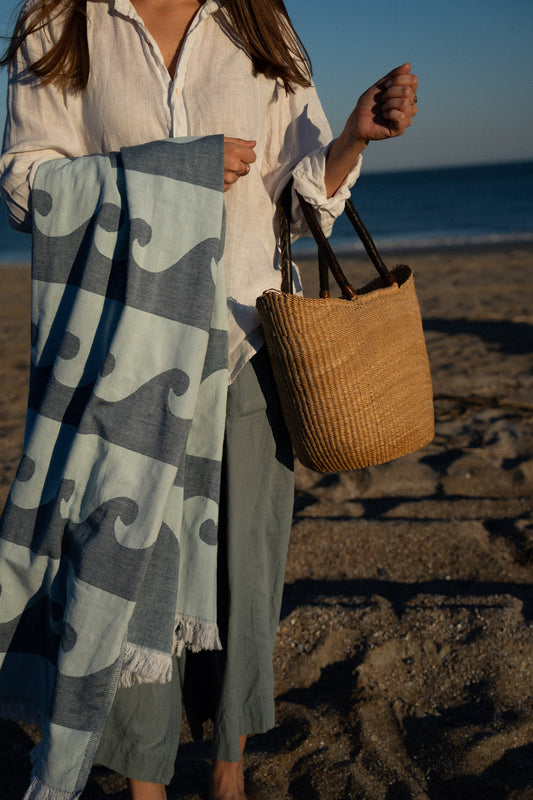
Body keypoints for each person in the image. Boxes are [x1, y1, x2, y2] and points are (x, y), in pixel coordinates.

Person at [0, 1, 417, 798]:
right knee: (125, 572)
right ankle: (146, 782)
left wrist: (353, 138)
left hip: (246, 343)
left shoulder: (259, 18)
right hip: (127, 353)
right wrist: (166, 170)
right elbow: (25, 188)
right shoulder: (61, 17)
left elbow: (302, 198)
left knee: (244, 575)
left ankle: (229, 774)